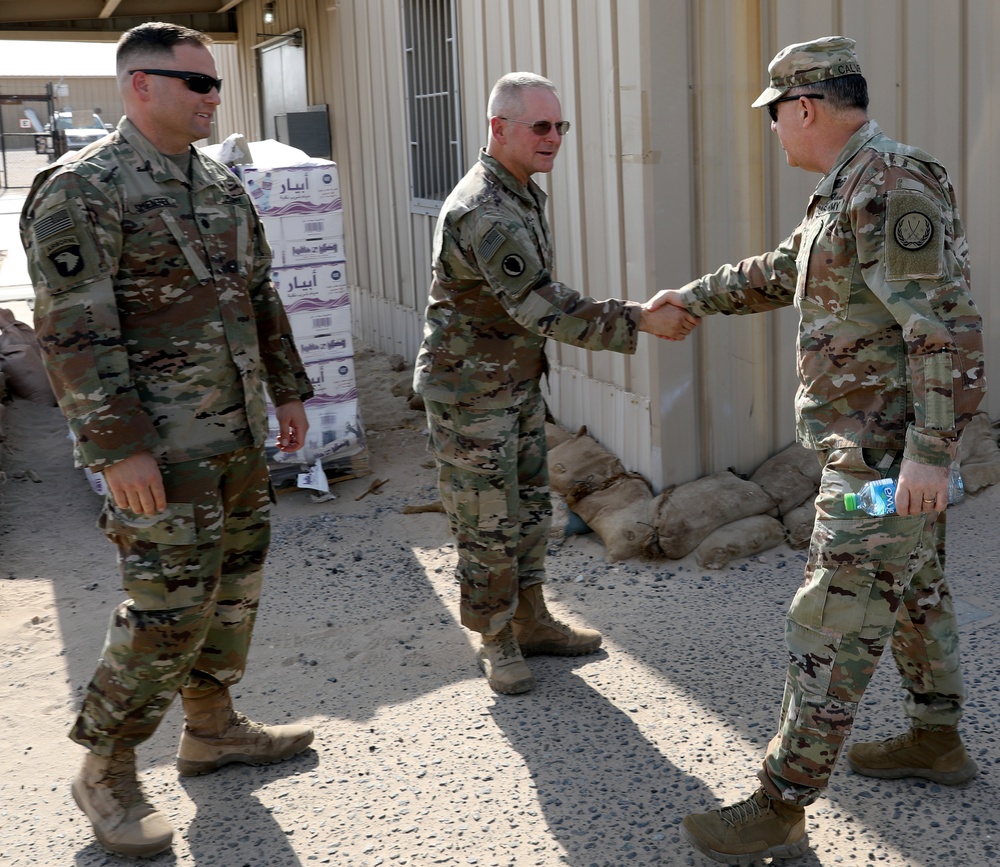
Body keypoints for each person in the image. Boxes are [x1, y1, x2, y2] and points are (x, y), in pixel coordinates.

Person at [649, 37, 985, 864]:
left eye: (775, 115)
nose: (773, 131)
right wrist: (688, 299)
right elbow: (781, 271)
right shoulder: (849, 189)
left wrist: (930, 456)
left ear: (803, 107)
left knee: (828, 619)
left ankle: (778, 804)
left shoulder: (889, 183)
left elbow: (940, 326)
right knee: (915, 591)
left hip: (881, 460)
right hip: (891, 457)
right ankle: (936, 740)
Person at [20, 22, 315, 858]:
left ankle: (213, 728)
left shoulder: (219, 182)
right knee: (165, 608)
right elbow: (75, 333)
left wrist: (288, 388)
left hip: (236, 434)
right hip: (159, 449)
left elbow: (259, 293)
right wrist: (117, 446)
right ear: (138, 85)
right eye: (195, 83)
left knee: (233, 590)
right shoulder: (82, 189)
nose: (212, 98)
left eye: (215, 84)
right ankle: (106, 769)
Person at [413, 72, 698, 697]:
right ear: (500, 128)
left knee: (529, 507)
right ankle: (496, 638)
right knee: (485, 518)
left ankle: (532, 616)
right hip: (469, 391)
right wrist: (639, 320)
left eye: (559, 126)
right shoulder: (484, 209)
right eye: (541, 126)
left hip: (510, 380)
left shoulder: (520, 192)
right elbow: (539, 302)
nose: (554, 138)